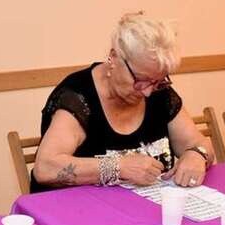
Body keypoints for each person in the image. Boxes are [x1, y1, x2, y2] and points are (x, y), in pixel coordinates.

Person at [32, 13, 213, 193]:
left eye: (158, 82)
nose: (147, 92)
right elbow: (46, 168)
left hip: (145, 205)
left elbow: (199, 143)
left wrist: (197, 155)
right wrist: (118, 167)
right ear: (114, 57)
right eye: (140, 79)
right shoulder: (78, 96)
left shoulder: (158, 92)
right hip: (79, 206)